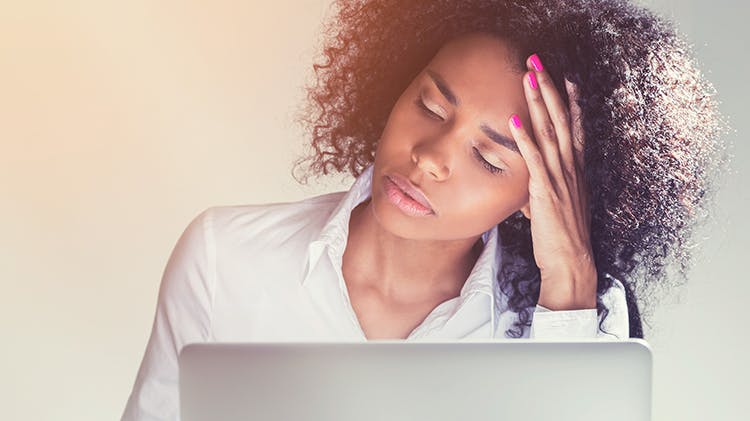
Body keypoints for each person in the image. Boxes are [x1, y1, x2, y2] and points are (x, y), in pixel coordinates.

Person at [121, 0, 728, 419]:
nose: (431, 158)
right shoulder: (224, 258)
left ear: (537, 196)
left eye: (490, 160)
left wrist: (569, 275)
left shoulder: (580, 321)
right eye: (431, 108)